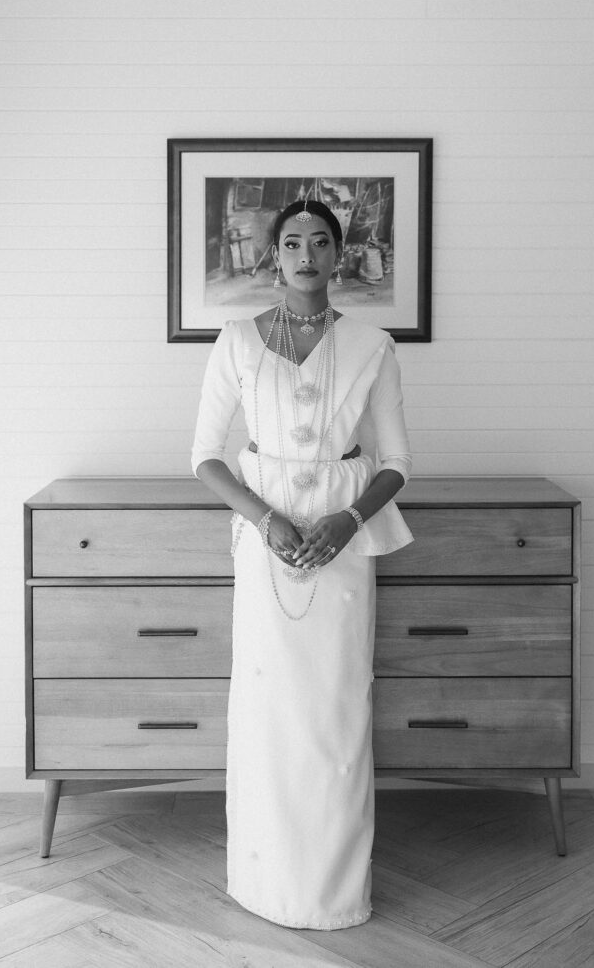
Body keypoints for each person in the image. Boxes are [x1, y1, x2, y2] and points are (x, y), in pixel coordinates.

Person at [191, 198, 414, 930]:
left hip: (343, 546)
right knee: (268, 710)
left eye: (321, 241)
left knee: (335, 711)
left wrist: (350, 521)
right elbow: (205, 457)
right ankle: (265, 884)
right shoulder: (236, 341)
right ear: (274, 255)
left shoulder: (373, 345)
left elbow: (397, 462)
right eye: (293, 242)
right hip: (265, 545)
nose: (307, 254)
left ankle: (333, 893)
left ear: (338, 254)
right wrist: (266, 519)